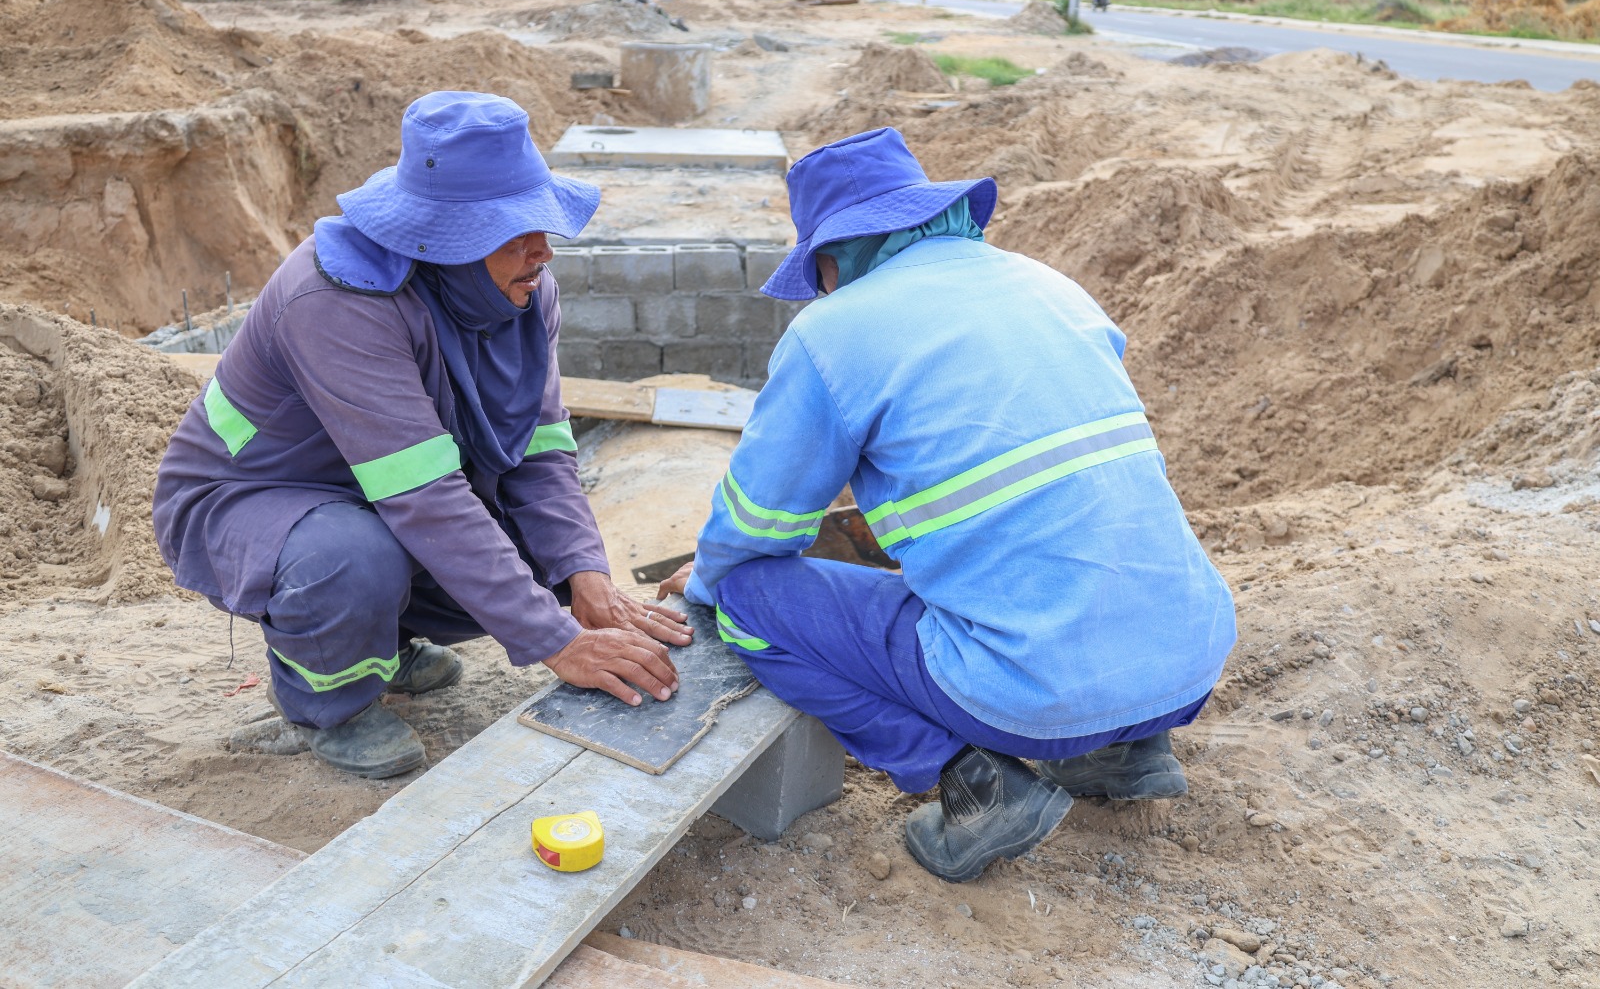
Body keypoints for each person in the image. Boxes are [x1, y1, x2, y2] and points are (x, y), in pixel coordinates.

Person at [658, 128, 1235, 883]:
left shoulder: (833, 333)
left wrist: (701, 584)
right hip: (1189, 656)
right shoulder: (1048, 285)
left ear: (834, 255)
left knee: (747, 599)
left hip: (1036, 689)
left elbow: (761, 522)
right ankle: (1128, 752)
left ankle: (977, 782)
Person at [154, 92, 688, 779]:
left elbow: (540, 448)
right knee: (350, 557)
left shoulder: (519, 291)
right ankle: (328, 702)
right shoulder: (339, 301)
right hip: (249, 498)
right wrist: (557, 642)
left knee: (539, 554)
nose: (544, 251)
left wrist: (586, 580)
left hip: (374, 488)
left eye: (542, 223)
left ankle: (385, 640)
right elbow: (426, 498)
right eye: (515, 229)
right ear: (444, 234)